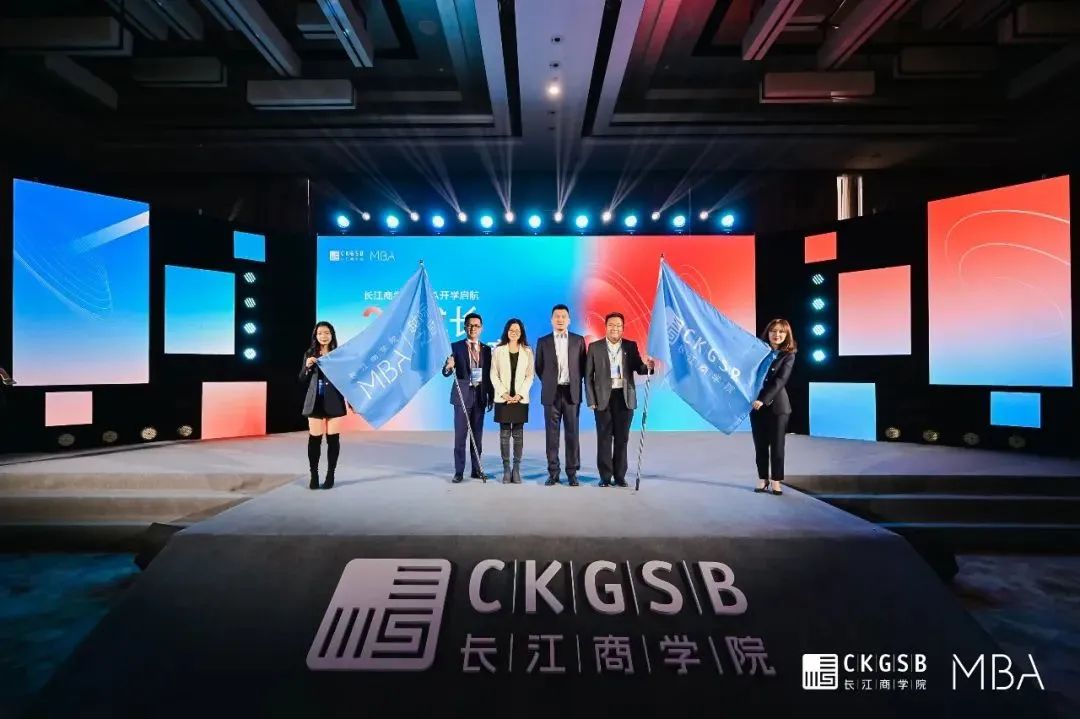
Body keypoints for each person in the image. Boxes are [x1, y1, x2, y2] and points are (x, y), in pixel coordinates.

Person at [584, 312, 654, 487]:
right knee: (604, 439)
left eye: (618, 325)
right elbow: (588, 376)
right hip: (602, 399)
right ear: (606, 327)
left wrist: (648, 366)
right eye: (611, 325)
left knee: (622, 439)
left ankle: (620, 476)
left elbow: (639, 368)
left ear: (622, 328)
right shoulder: (595, 347)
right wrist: (591, 399)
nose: (614, 328)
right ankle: (605, 477)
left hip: (624, 398)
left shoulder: (630, 346)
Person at [534, 304, 587, 486]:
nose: (560, 319)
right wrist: (550, 382)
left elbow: (583, 367)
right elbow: (539, 367)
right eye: (557, 316)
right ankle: (553, 472)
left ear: (569, 320)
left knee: (572, 434)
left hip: (571, 393)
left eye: (563, 316)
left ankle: (572, 473)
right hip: (552, 393)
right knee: (552, 435)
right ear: (551, 320)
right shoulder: (543, 341)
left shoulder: (578, 341)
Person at [442, 312, 494, 483]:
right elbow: (445, 372)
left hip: (480, 396)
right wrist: (449, 366)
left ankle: (476, 470)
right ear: (465, 327)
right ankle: (459, 472)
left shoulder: (487, 350)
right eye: (470, 325)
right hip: (462, 396)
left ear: (481, 328)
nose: (473, 328)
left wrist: (491, 397)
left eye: (477, 326)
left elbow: (489, 375)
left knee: (477, 436)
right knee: (460, 436)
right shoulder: (455, 347)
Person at [751, 318, 797, 496]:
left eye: (781, 331)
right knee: (760, 446)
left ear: (786, 335)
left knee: (777, 446)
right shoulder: (758, 352)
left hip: (777, 407)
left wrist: (763, 399)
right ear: (768, 333)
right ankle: (763, 479)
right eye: (773, 331)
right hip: (756, 406)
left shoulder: (788, 355)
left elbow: (780, 380)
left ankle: (776, 480)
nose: (777, 334)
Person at [300, 322, 347, 490]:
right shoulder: (309, 353)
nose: (323, 336)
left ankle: (330, 475)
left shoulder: (339, 354)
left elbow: (346, 380)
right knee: (315, 440)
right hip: (315, 402)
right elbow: (302, 378)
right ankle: (314, 475)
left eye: (326, 333)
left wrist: (352, 401)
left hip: (334, 401)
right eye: (320, 333)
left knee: (333, 440)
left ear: (332, 334)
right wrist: (307, 366)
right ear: (316, 336)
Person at [490, 319, 535, 484]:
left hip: (519, 400)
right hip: (503, 399)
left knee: (518, 434)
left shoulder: (527, 351)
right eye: (511, 330)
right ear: (506, 332)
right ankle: (506, 469)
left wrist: (520, 395)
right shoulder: (498, 350)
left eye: (517, 330)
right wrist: (504, 394)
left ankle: (516, 469)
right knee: (504, 435)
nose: (514, 333)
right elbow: (493, 374)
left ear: (521, 332)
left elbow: (530, 375)